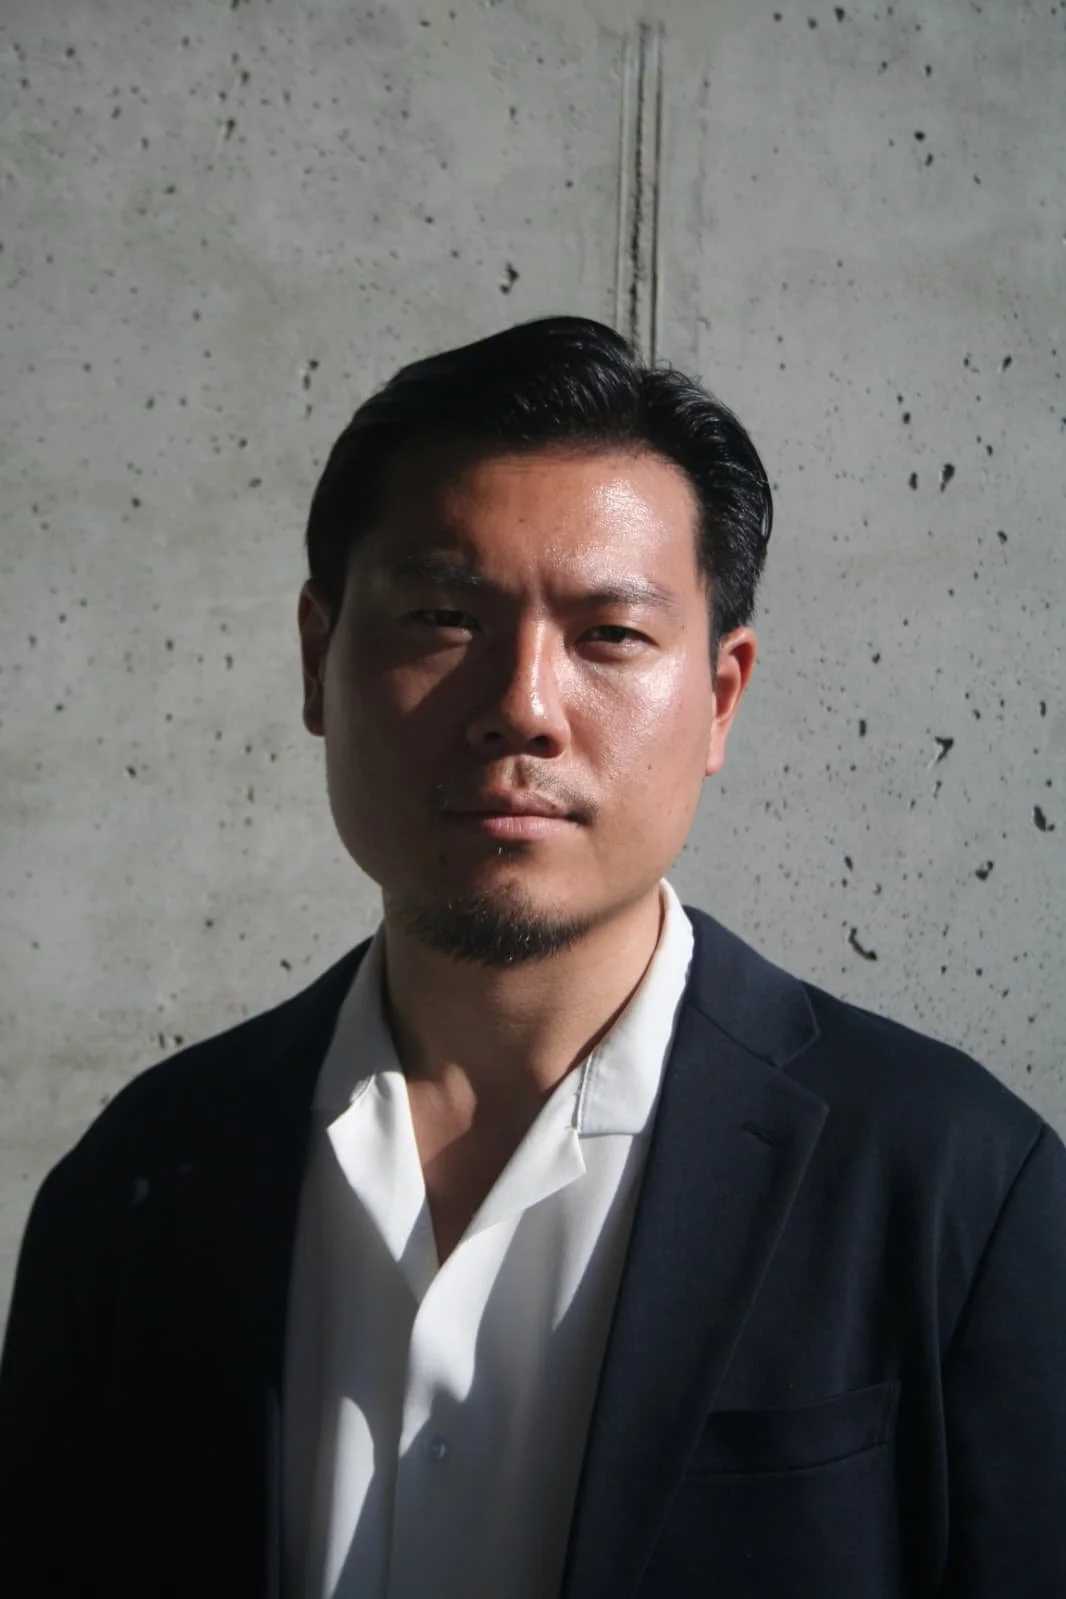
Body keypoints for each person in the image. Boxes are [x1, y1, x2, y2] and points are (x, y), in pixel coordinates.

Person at [1, 315, 1064, 1599]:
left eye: (609, 636)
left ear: (720, 697)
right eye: (443, 617)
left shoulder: (959, 1190)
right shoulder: (139, 1188)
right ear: (315, 660)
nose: (522, 705)